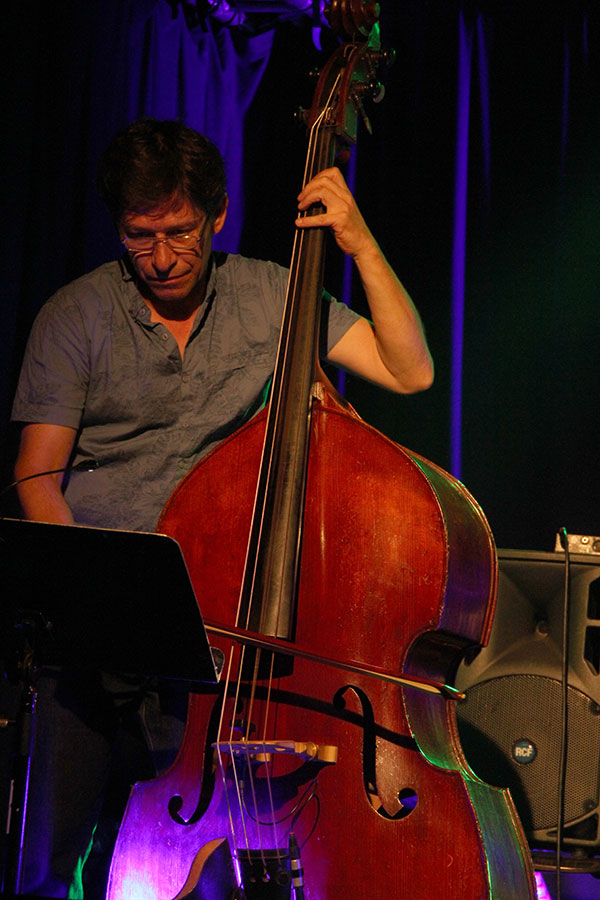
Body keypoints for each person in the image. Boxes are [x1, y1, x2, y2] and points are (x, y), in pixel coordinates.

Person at [9, 118, 433, 896]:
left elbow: (410, 370)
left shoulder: (271, 295)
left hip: (215, 633)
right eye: (140, 236)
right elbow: (38, 477)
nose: (163, 257)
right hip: (94, 626)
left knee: (188, 856)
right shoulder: (76, 315)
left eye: (180, 232)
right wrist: (86, 596)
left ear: (219, 215)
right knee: (50, 862)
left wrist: (360, 243)